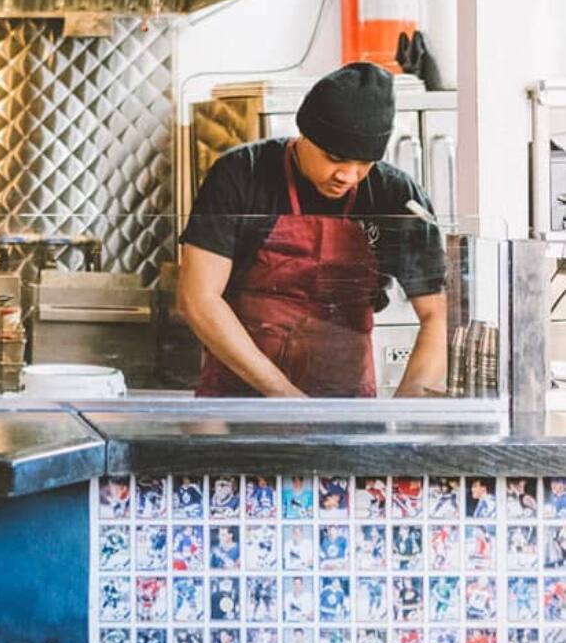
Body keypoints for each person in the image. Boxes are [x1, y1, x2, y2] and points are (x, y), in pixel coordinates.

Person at [177, 62, 448, 398]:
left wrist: (404, 416)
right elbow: (197, 297)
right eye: (334, 158)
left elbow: (438, 316)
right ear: (305, 133)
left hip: (345, 405)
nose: (347, 176)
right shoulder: (240, 174)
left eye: (363, 163)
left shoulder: (396, 196)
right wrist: (284, 395)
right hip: (240, 399)